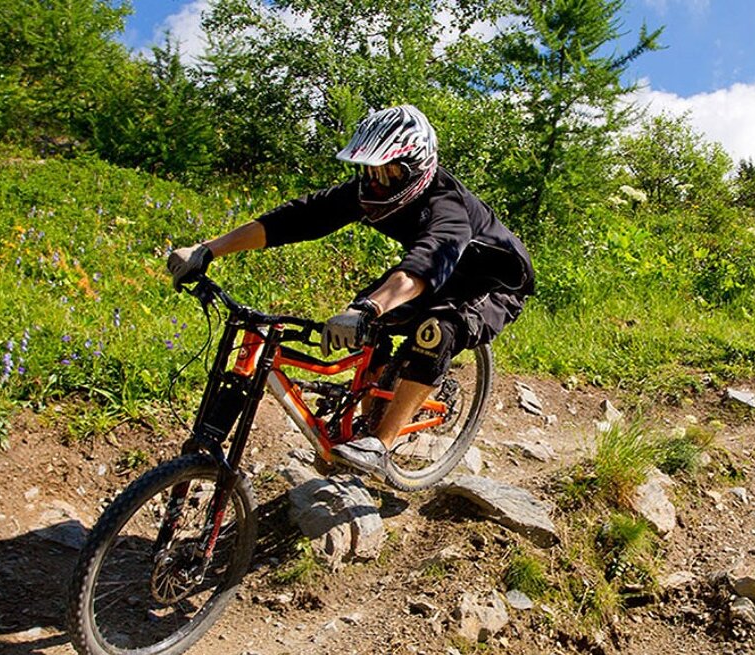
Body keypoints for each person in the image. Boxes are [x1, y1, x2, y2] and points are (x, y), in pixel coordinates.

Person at [166, 105, 534, 478]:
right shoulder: (368, 191)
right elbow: (295, 219)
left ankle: (381, 445)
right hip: (431, 269)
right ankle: (364, 426)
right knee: (370, 322)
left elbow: (426, 264)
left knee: (435, 330)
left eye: (389, 172)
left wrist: (370, 307)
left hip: (494, 281)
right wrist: (207, 248)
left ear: (417, 169)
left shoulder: (446, 207)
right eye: (370, 170)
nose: (377, 182)